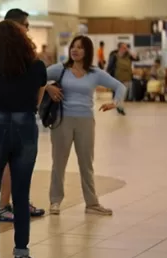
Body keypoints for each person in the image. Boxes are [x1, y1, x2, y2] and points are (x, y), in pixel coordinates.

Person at [0, 20, 46, 258]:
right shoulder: (38, 67)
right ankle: (21, 255)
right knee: (21, 193)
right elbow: (37, 100)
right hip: (25, 128)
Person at [45, 35, 126, 216]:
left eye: (80, 47)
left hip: (86, 122)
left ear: (87, 51)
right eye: (73, 46)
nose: (75, 50)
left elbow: (120, 86)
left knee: (86, 164)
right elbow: (35, 77)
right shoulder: (61, 69)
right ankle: (55, 201)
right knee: (59, 163)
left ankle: (92, 203)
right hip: (62, 121)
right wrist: (48, 88)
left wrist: (116, 102)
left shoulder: (95, 73)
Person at [0, 8, 45, 221]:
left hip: (18, 116)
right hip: (10, 117)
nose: (28, 29)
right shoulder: (3, 56)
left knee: (21, 163)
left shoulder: (23, 56)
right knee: (11, 162)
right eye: (25, 25)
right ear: (16, 26)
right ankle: (4, 204)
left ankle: (19, 202)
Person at [106, 42, 138, 115]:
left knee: (124, 94)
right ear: (119, 48)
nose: (125, 49)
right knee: (120, 93)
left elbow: (136, 58)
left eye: (126, 47)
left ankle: (118, 106)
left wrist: (129, 51)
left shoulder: (128, 56)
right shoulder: (114, 56)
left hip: (127, 78)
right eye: (124, 47)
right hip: (117, 78)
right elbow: (109, 67)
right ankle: (120, 108)